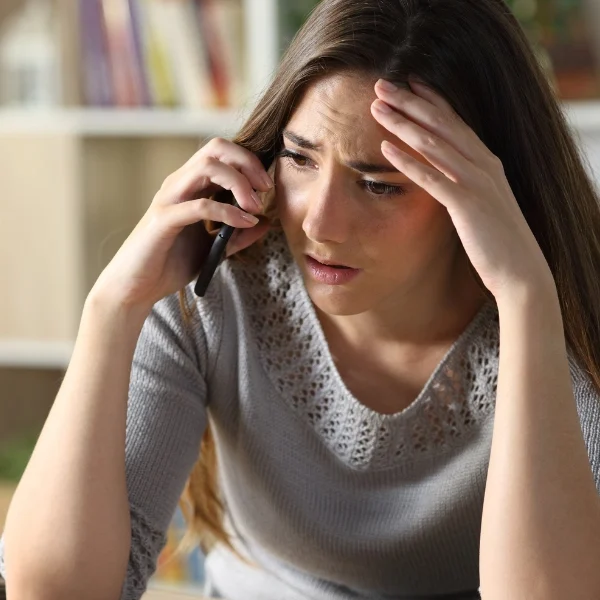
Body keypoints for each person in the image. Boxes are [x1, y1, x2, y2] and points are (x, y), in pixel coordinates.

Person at [2, 0, 600, 598]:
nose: (320, 222)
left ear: (486, 188)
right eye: (300, 157)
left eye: (377, 184)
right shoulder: (213, 290)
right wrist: (112, 307)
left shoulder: (564, 323)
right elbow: (54, 591)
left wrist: (528, 303)